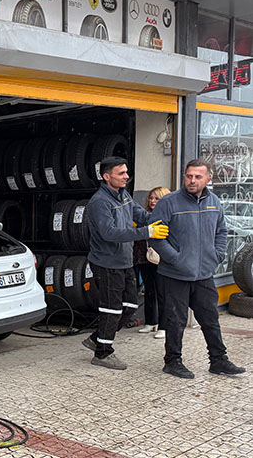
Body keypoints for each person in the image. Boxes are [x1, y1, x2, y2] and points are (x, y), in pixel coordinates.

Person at [149, 160, 246, 379]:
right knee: (176, 320)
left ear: (208, 179)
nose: (192, 180)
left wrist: (217, 255)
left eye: (198, 177)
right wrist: (175, 258)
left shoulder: (214, 202)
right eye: (189, 176)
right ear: (184, 177)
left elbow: (221, 231)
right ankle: (172, 362)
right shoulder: (169, 202)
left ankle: (218, 360)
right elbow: (155, 236)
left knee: (210, 319)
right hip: (175, 274)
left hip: (204, 274)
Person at [82, 156, 168, 370]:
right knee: (111, 309)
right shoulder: (99, 202)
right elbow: (109, 233)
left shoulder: (124, 196)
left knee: (129, 305)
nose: (126, 176)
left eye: (126, 172)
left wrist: (164, 218)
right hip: (106, 263)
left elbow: (141, 216)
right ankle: (102, 353)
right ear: (106, 176)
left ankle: (97, 339)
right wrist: (145, 232)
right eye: (121, 173)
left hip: (124, 262)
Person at [134, 186, 171, 339]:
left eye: (157, 198)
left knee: (162, 293)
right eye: (151, 198)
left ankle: (164, 326)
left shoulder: (167, 216)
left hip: (159, 259)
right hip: (143, 257)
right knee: (149, 291)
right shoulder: (144, 215)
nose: (152, 201)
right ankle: (151, 322)